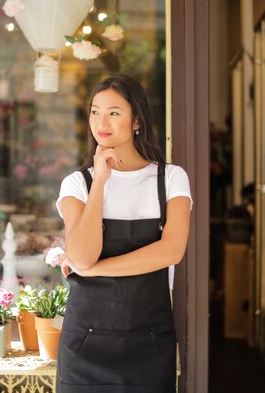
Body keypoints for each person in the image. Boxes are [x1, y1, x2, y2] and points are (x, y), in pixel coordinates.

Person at [55, 74, 192, 393]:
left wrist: (92, 270)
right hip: (84, 347)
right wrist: (101, 180)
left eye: (114, 112)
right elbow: (82, 254)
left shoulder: (170, 179)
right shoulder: (78, 184)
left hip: (148, 343)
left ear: (137, 121)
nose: (101, 121)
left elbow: (171, 251)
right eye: (95, 111)